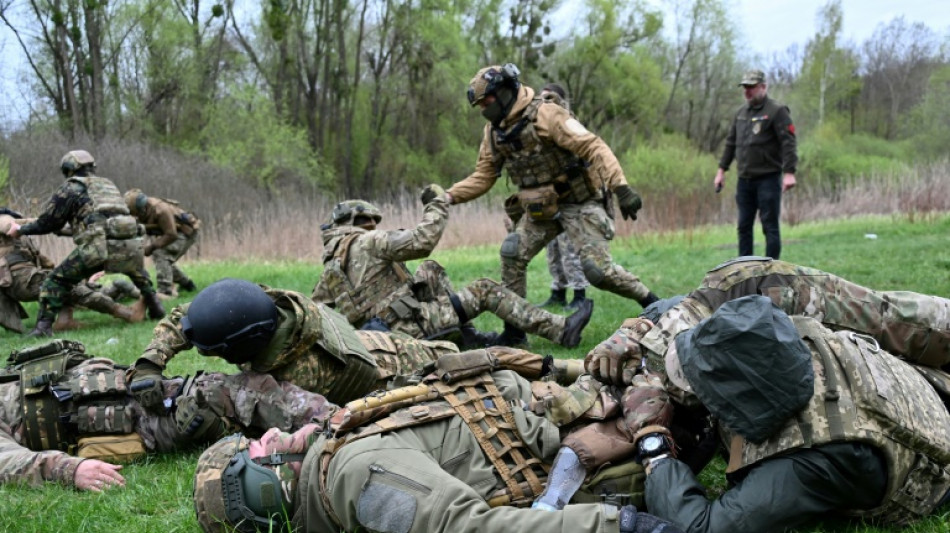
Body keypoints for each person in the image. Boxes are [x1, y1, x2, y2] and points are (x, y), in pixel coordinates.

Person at [193, 366, 684, 533]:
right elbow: (467, 527)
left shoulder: (335, 447)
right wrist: (617, 526)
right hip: (613, 436)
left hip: (572, 402)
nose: (268, 436)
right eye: (256, 448)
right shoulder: (356, 475)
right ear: (262, 488)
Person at [638, 296, 950, 532]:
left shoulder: (813, 457)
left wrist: (654, 446)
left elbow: (701, 527)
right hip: (927, 391)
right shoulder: (785, 336)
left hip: (930, 460)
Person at [446, 64, 659, 338]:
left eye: (488, 102)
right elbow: (483, 176)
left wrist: (620, 187)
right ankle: (514, 333)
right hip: (541, 209)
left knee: (597, 270)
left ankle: (652, 302)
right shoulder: (493, 134)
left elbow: (593, 146)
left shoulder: (547, 115)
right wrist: (448, 196)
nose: (485, 109)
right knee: (512, 253)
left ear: (505, 92)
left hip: (580, 201)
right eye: (481, 106)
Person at [0, 338, 335, 490]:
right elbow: (8, 461)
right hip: (128, 425)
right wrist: (69, 469)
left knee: (238, 393)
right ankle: (338, 428)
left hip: (132, 393)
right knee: (228, 395)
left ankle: (334, 422)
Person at [312, 186, 594, 348]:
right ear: (358, 222)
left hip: (386, 334)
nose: (374, 225)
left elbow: (316, 313)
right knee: (484, 290)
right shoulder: (369, 242)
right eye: (369, 221)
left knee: (430, 269)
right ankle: (561, 330)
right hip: (412, 328)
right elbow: (423, 240)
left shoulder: (332, 265)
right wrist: (436, 204)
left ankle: (467, 337)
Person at [5, 150, 165, 337]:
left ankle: (43, 327)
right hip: (130, 245)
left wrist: (21, 229)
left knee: (56, 280)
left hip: (97, 248)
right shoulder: (107, 184)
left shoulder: (71, 188)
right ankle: (156, 308)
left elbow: (48, 223)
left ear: (68, 169)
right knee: (139, 275)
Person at [0, 212, 144, 333]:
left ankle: (65, 321)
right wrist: (45, 222)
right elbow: (8, 225)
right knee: (69, 287)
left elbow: (41, 259)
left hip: (22, 281)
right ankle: (126, 313)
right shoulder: (4, 218)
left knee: (64, 282)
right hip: (22, 281)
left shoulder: (17, 241)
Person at [713, 69, 798, 259]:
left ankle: (771, 268)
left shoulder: (777, 111)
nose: (747, 91)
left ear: (763, 87)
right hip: (745, 180)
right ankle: (745, 267)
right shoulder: (741, 113)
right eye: (745, 87)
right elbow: (731, 143)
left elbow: (788, 142)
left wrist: (789, 172)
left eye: (751, 87)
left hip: (768, 179)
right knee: (743, 226)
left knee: (770, 226)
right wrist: (721, 171)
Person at [536, 83, 590, 310]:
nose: (545, 103)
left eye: (550, 98)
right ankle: (558, 292)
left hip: (570, 197)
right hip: (549, 198)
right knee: (553, 249)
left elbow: (585, 155)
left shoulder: (570, 123)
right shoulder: (538, 126)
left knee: (571, 248)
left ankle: (579, 294)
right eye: (541, 99)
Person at [124, 188, 199, 297]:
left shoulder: (161, 210)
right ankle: (187, 285)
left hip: (185, 233)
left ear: (140, 209)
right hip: (173, 232)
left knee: (160, 253)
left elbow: (171, 234)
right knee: (164, 263)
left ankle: (165, 291)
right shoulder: (144, 210)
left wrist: (151, 247)